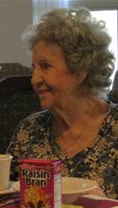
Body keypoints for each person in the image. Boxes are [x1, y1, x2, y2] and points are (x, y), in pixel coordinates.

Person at [7, 8, 117, 198]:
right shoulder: (29, 130)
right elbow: (3, 192)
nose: (34, 79)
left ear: (81, 71)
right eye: (34, 68)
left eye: (45, 66)